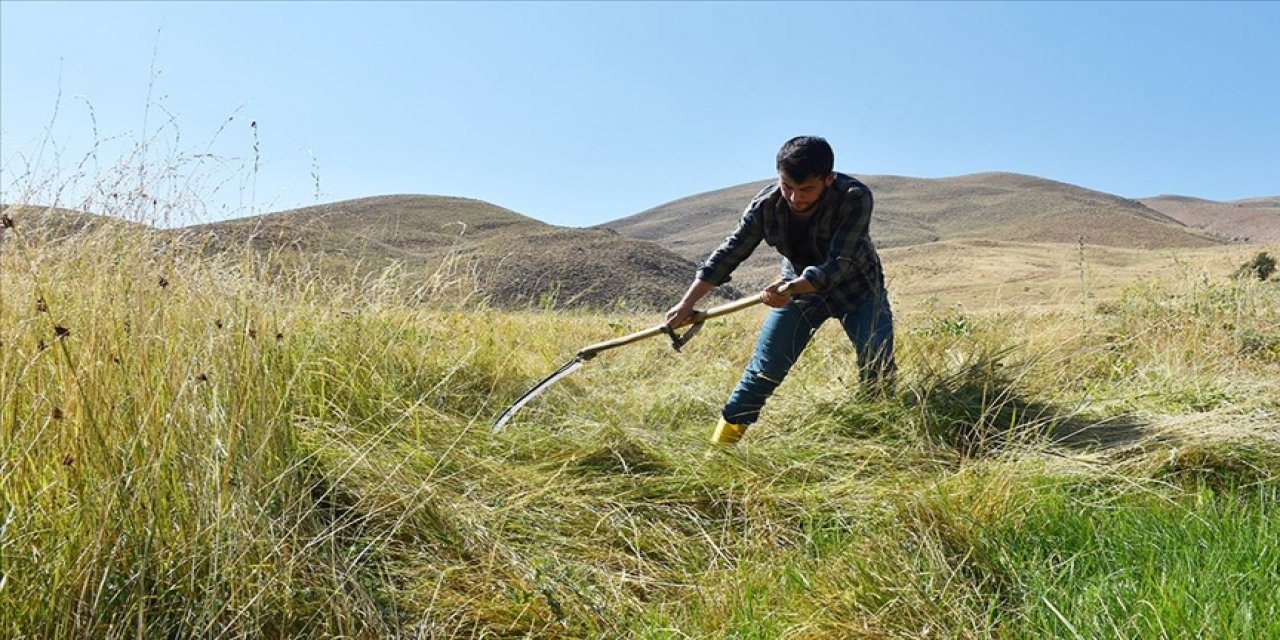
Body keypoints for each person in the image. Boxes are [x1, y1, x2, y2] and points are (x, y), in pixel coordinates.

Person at [665, 136, 895, 445]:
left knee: (877, 362)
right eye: (787, 186)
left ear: (829, 179)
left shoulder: (855, 197)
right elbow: (729, 254)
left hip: (858, 290)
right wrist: (687, 303)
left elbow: (840, 262)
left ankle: (876, 441)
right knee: (763, 372)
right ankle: (719, 453)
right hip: (797, 293)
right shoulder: (766, 205)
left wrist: (789, 288)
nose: (795, 198)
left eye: (807, 190)